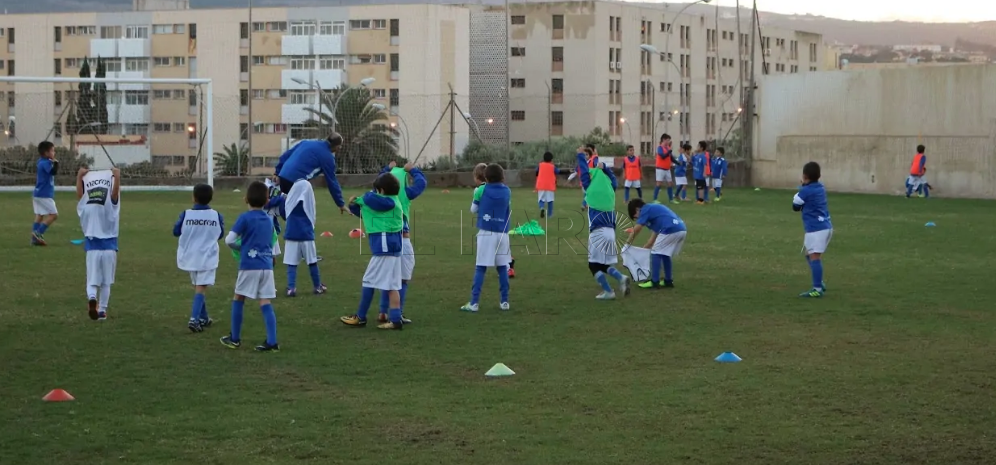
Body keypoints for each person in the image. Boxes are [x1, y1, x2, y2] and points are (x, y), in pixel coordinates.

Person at [340, 173, 406, 330]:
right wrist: (356, 205)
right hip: (392, 248)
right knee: (392, 286)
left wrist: (363, 197)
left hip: (385, 248)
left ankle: (361, 317)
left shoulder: (389, 202)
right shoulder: (387, 202)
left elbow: (370, 200)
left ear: (381, 191)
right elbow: (366, 211)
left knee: (368, 280)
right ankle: (396, 319)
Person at [221, 181, 280, 351]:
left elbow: (229, 240)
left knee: (238, 297)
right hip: (266, 266)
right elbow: (269, 242)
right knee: (265, 301)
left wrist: (243, 248)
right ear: (267, 200)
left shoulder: (244, 218)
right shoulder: (269, 220)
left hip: (249, 265)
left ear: (245, 199)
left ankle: (234, 338)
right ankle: (272, 341)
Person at [376, 161, 427, 325]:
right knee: (403, 279)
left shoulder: (378, 196)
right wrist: (413, 170)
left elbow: (379, 180)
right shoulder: (405, 193)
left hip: (385, 240)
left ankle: (383, 311)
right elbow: (422, 183)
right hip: (402, 241)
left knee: (388, 278)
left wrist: (387, 169)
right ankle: (397, 313)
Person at [577, 151, 631, 300]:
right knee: (603, 264)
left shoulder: (590, 188)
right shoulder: (610, 187)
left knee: (593, 265)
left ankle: (610, 290)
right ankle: (621, 279)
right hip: (611, 232)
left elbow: (583, 173)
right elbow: (614, 179)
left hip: (597, 232)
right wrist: (605, 168)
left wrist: (580, 156)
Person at [460, 163, 512, 312]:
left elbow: (473, 209)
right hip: (503, 233)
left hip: (486, 232)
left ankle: (474, 303)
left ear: (486, 177)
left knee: (481, 267)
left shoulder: (481, 190)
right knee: (502, 268)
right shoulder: (507, 191)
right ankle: (504, 302)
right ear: (502, 176)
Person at [174, 183, 224, 333]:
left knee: (198, 286)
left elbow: (176, 231)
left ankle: (203, 318)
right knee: (201, 287)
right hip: (207, 256)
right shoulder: (216, 215)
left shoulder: (186, 214)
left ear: (194, 197)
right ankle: (194, 319)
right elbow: (220, 234)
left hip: (189, 255)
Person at [263, 185, 326, 297]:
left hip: (291, 233)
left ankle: (291, 288)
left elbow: (280, 212)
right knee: (312, 262)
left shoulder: (287, 200)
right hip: (306, 234)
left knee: (291, 263)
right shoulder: (308, 200)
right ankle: (317, 286)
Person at [76, 166, 121, 321]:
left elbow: (80, 197)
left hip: (92, 245)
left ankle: (92, 297)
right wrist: (117, 177)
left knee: (92, 280)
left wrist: (79, 177)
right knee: (106, 281)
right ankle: (102, 311)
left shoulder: (87, 206)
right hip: (109, 246)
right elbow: (115, 195)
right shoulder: (111, 204)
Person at [273, 134, 347, 213]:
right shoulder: (328, 157)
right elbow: (332, 181)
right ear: (337, 146)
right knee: (301, 212)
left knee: (288, 208)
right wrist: (341, 203)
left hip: (283, 176)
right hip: (296, 182)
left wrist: (277, 173)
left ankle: (276, 211)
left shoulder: (306, 142)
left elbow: (286, 155)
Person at [624, 199, 687, 289]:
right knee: (665, 253)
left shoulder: (645, 209)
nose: (638, 219)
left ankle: (654, 281)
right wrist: (645, 247)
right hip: (681, 229)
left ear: (637, 209)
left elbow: (637, 228)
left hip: (670, 229)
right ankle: (668, 280)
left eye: (636, 217)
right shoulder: (653, 211)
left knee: (655, 252)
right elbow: (655, 234)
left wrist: (627, 243)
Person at [793, 162, 832, 298]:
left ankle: (817, 289)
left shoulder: (806, 191)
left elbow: (795, 205)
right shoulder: (821, 187)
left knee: (814, 257)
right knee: (808, 254)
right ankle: (819, 282)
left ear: (804, 176)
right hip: (825, 227)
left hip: (816, 229)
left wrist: (802, 187)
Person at [32, 141, 60, 246]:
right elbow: (53, 172)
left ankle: (34, 240)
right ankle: (38, 233)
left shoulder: (41, 161)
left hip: (38, 194)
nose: (54, 152)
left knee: (40, 215)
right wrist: (56, 163)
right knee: (54, 215)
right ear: (46, 153)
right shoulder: (45, 163)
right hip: (44, 195)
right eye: (52, 150)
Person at [535, 151, 559, 218]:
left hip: (541, 185)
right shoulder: (552, 166)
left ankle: (542, 208)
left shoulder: (540, 165)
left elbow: (536, 171)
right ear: (551, 159)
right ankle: (550, 214)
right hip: (550, 186)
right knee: (550, 200)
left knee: (541, 199)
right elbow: (558, 171)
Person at [653, 133, 675, 203]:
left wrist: (678, 163)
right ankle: (655, 199)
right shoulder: (659, 148)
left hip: (667, 168)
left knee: (670, 183)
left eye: (669, 140)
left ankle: (671, 199)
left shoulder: (668, 148)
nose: (668, 142)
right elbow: (663, 156)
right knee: (659, 183)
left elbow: (671, 158)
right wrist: (669, 151)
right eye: (667, 140)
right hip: (660, 168)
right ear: (663, 140)